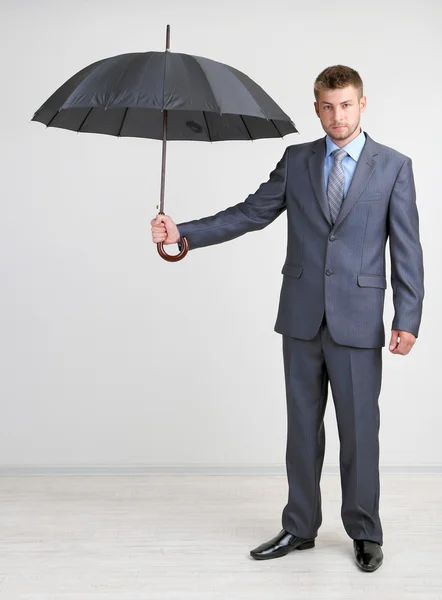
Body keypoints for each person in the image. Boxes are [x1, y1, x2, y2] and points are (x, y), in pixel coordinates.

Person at [150, 65, 424, 573]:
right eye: (327, 106)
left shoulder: (394, 167)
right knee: (301, 429)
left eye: (346, 105)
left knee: (360, 431)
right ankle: (300, 526)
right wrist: (181, 232)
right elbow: (252, 213)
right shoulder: (297, 161)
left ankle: (365, 531)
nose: (336, 116)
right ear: (315, 107)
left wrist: (408, 316)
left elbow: (407, 248)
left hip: (359, 318)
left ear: (363, 105)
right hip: (300, 318)